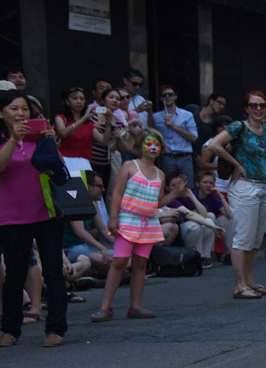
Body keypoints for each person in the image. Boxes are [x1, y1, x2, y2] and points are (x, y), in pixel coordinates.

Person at [0, 91, 69, 348]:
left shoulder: (39, 136)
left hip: (47, 213)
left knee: (53, 271)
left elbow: (60, 170)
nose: (21, 113)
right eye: (14, 108)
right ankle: (10, 329)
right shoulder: (3, 138)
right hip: (11, 218)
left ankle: (56, 328)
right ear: (1, 113)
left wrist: (51, 144)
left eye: (25, 109)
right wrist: (14, 138)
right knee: (15, 274)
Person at [205, 90, 266, 299]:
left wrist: (258, 163)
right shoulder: (239, 126)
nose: (259, 109)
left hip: (262, 186)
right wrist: (236, 163)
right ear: (246, 108)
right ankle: (239, 285)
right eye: (254, 105)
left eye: (262, 105)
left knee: (255, 240)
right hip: (244, 186)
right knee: (242, 238)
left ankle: (250, 282)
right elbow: (214, 145)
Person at [91, 129, 167, 321]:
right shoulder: (129, 166)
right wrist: (114, 218)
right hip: (128, 219)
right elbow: (117, 193)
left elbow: (157, 202)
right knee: (119, 262)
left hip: (148, 223)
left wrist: (175, 194)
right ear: (140, 146)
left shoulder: (160, 174)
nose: (152, 147)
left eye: (156, 144)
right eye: (149, 143)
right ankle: (105, 307)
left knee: (141, 264)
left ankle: (135, 306)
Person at [151, 85, 198, 182]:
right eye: (164, 95)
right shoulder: (156, 117)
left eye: (170, 94)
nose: (167, 97)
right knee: (169, 187)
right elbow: (150, 134)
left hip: (185, 157)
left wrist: (174, 127)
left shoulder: (187, 115)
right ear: (160, 98)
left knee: (188, 187)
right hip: (167, 157)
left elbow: (194, 137)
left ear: (175, 97)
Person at [193, 170, 232, 262]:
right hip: (193, 229)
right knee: (210, 216)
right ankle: (200, 256)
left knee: (226, 219)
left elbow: (229, 215)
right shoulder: (192, 194)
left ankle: (229, 253)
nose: (208, 185)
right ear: (198, 184)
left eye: (211, 183)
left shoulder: (213, 197)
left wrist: (220, 195)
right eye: (205, 182)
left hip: (208, 229)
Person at [54, 87, 95, 169]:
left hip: (85, 163)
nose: (79, 101)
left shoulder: (89, 123)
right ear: (67, 102)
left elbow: (104, 141)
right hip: (65, 161)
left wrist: (109, 122)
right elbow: (64, 133)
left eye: (82, 99)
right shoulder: (60, 118)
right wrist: (84, 118)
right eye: (75, 98)